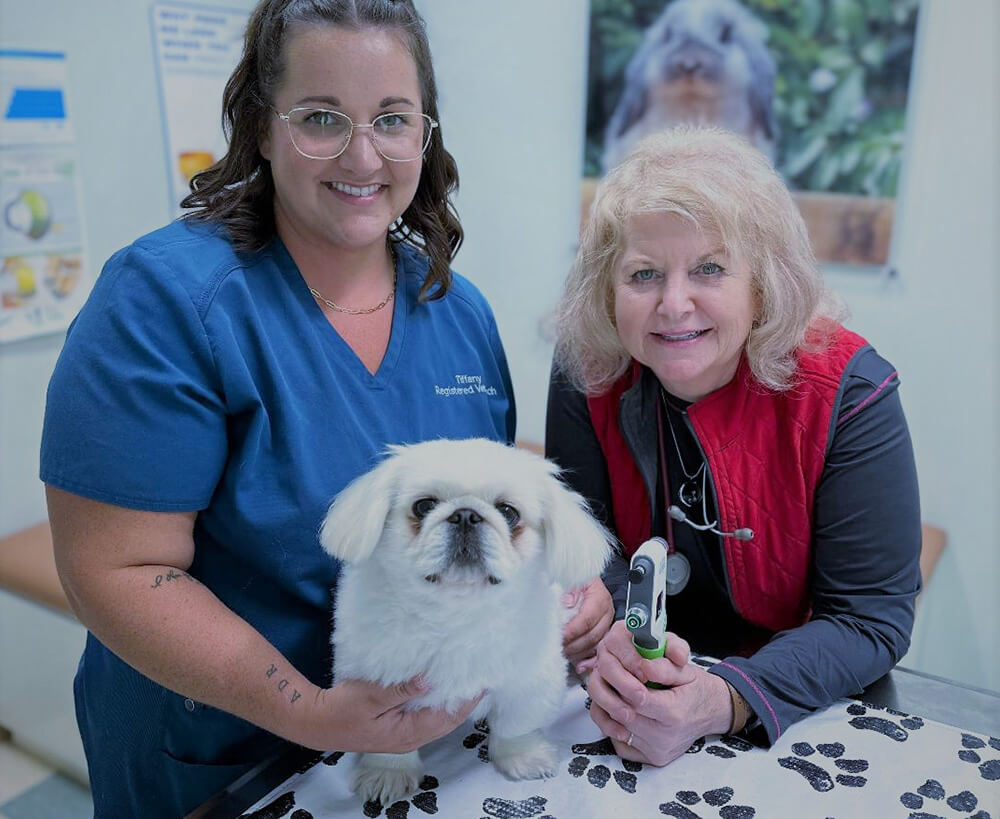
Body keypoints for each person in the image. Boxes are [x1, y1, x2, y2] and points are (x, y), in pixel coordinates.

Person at [37, 2, 596, 815]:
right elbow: (116, 570)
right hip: (217, 754)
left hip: (420, 736)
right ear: (262, 127)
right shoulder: (164, 302)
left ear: (425, 134)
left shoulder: (456, 309)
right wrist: (312, 708)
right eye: (322, 117)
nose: (362, 153)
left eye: (392, 119)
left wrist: (553, 599)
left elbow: (489, 527)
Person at [546, 125, 922, 767]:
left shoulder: (851, 394)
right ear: (607, 292)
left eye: (709, 268)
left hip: (801, 708)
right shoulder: (587, 371)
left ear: (763, 283)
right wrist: (608, 623)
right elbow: (588, 544)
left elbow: (870, 618)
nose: (673, 303)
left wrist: (722, 700)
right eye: (642, 274)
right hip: (630, 694)